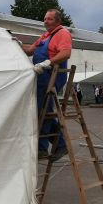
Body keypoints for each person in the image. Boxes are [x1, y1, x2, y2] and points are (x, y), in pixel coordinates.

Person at [22, 9, 72, 159]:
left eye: (49, 19)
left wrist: (48, 62)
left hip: (53, 76)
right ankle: (60, 145)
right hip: (42, 76)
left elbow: (66, 53)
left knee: (43, 110)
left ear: (58, 21)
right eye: (44, 19)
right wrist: (16, 43)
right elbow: (30, 51)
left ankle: (44, 148)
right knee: (42, 110)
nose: (46, 21)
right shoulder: (44, 36)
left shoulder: (62, 33)